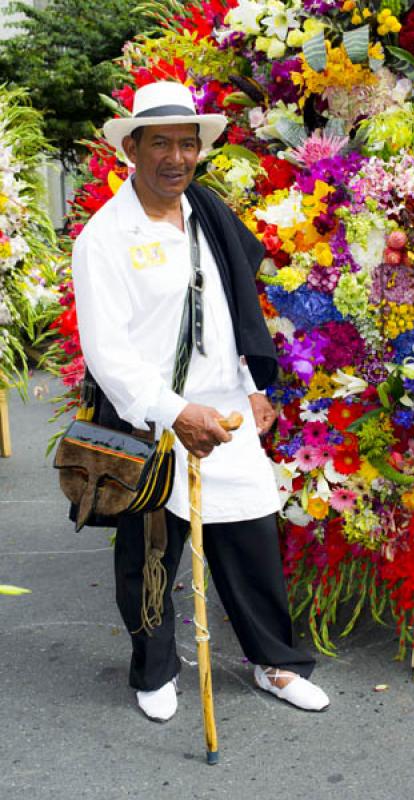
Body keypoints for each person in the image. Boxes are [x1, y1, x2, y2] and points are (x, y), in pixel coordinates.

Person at [71, 80, 330, 722]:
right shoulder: (103, 239)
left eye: (188, 144)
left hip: (224, 413)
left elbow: (228, 312)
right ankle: (154, 671)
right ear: (131, 148)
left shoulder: (205, 214)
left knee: (250, 543)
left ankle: (277, 663)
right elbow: (109, 354)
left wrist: (250, 386)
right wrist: (174, 412)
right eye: (161, 143)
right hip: (151, 419)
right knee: (152, 554)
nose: (176, 158)